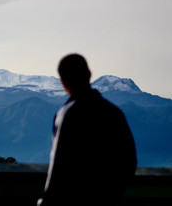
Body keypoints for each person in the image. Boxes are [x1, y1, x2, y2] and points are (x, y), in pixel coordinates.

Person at [37, 54, 137, 206]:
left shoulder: (66, 114)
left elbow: (58, 164)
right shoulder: (113, 112)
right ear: (89, 75)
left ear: (63, 81)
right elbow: (129, 160)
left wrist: (48, 199)